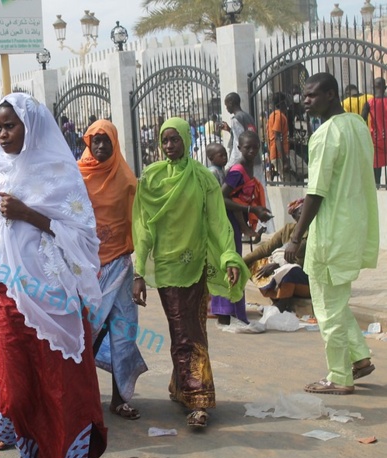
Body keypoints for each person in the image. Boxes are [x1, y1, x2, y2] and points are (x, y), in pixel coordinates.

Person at [0, 93, 107, 458]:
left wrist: (30, 214)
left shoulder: (59, 171)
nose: (3, 134)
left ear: (31, 126)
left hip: (54, 299)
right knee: (16, 395)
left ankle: (65, 457)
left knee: (59, 387)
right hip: (4, 298)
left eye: (10, 126)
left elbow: (85, 237)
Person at [132, 117, 249, 428]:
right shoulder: (151, 179)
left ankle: (196, 397)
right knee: (181, 332)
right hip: (168, 270)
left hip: (195, 266)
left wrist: (228, 258)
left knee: (192, 333)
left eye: (175, 139)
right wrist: (138, 271)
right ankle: (187, 389)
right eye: (165, 140)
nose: (170, 146)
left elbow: (217, 223)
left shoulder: (202, 180)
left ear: (186, 140)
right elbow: (142, 228)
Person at [286, 73, 379, 395]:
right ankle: (360, 359)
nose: (306, 101)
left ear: (330, 94)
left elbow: (317, 191)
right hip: (354, 225)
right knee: (337, 302)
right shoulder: (356, 125)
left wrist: (295, 237)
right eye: (304, 96)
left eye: (312, 95)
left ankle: (339, 376)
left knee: (326, 307)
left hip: (331, 232)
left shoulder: (325, 134)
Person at [78, 119, 148, 420]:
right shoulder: (76, 176)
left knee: (123, 332)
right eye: (96, 141)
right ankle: (81, 397)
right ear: (88, 144)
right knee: (85, 334)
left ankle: (120, 398)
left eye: (106, 141)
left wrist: (139, 273)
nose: (101, 146)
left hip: (119, 264)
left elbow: (140, 225)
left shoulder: (127, 180)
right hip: (86, 268)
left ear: (115, 143)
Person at [213, 131, 273, 325]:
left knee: (235, 263)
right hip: (227, 223)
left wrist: (247, 226)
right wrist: (250, 208)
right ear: (239, 148)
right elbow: (222, 198)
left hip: (236, 222)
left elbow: (237, 197)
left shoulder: (249, 168)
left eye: (255, 147)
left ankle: (234, 313)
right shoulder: (237, 170)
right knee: (231, 264)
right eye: (247, 147)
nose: (252, 151)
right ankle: (225, 313)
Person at [244, 198, 309, 313]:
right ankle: (276, 298)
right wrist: (242, 261)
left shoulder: (314, 232)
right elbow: (266, 248)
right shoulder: (288, 229)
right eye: (301, 213)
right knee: (254, 265)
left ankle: (282, 305)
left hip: (307, 279)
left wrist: (278, 265)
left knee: (290, 271)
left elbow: (305, 263)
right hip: (284, 273)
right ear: (295, 216)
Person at [218, 92, 257, 170]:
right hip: (254, 157)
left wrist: (231, 165)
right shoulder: (247, 116)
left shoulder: (236, 119)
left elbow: (238, 143)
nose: (226, 108)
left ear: (231, 103)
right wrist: (229, 129)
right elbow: (246, 134)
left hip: (243, 161)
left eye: (226, 105)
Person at [361, 77, 387, 184]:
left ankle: (377, 186)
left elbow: (362, 120)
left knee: (376, 165)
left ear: (373, 87)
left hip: (376, 138)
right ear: (385, 87)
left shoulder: (369, 103)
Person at [268, 92, 290, 179]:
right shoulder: (278, 116)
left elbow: (269, 137)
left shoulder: (273, 115)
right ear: (281, 103)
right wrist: (284, 160)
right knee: (289, 182)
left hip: (277, 153)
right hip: (279, 155)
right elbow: (277, 137)